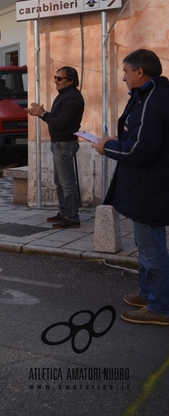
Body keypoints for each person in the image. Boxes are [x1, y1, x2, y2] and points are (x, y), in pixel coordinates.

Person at [92, 49, 169, 326]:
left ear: (140, 72)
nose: (123, 77)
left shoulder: (154, 99)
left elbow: (141, 151)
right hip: (145, 186)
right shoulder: (149, 95)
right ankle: (149, 294)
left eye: (125, 71)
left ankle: (160, 307)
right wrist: (116, 140)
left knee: (152, 248)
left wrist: (107, 146)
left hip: (150, 187)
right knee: (145, 244)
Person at [27, 66, 85, 229]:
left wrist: (43, 113)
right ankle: (64, 212)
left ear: (71, 81)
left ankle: (72, 218)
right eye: (55, 77)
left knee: (67, 183)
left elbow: (60, 122)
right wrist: (39, 114)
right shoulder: (64, 96)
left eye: (60, 78)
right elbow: (56, 119)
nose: (56, 81)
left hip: (65, 143)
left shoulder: (73, 98)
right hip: (59, 143)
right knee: (59, 181)